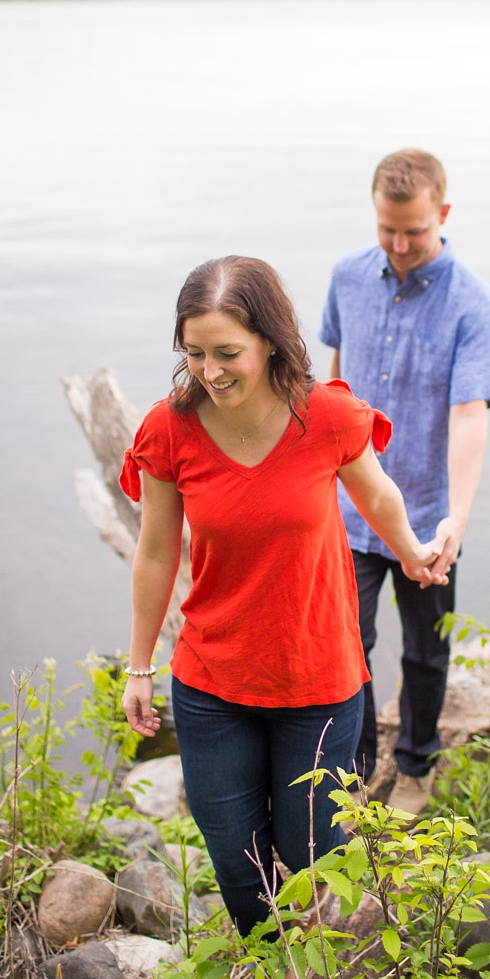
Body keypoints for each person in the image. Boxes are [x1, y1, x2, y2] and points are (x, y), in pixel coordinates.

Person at [119, 255, 447, 937]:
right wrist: (139, 666)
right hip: (213, 685)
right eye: (196, 353)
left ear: (270, 338)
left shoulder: (324, 415)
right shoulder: (169, 428)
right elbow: (154, 552)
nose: (211, 371)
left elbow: (378, 494)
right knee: (240, 867)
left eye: (228, 352)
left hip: (319, 684)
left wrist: (412, 552)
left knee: (310, 861)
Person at [320, 149, 490, 817]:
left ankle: (417, 765)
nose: (400, 246)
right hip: (349, 507)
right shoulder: (346, 277)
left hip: (428, 515)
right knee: (347, 643)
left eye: (415, 232)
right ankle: (361, 765)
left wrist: (456, 515)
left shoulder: (473, 304)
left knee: (427, 650)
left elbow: (467, 414)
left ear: (443, 214)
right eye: (387, 229)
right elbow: (335, 384)